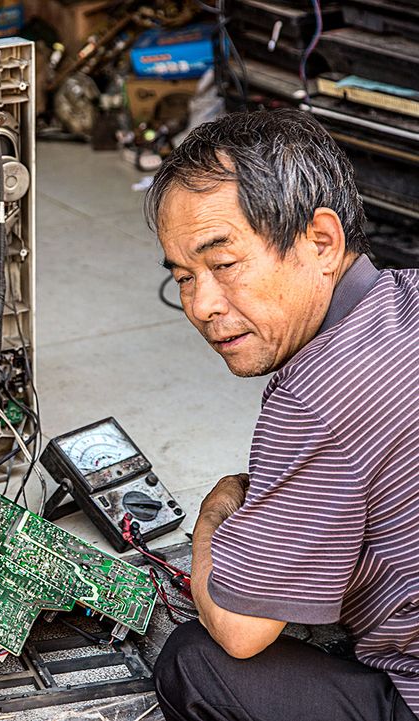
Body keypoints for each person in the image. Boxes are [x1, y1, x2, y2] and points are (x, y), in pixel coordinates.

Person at [144, 108, 419, 721]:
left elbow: (242, 629)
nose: (203, 305)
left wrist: (217, 509)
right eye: (184, 277)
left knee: (197, 661)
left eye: (224, 264)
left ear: (321, 242)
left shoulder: (318, 395)